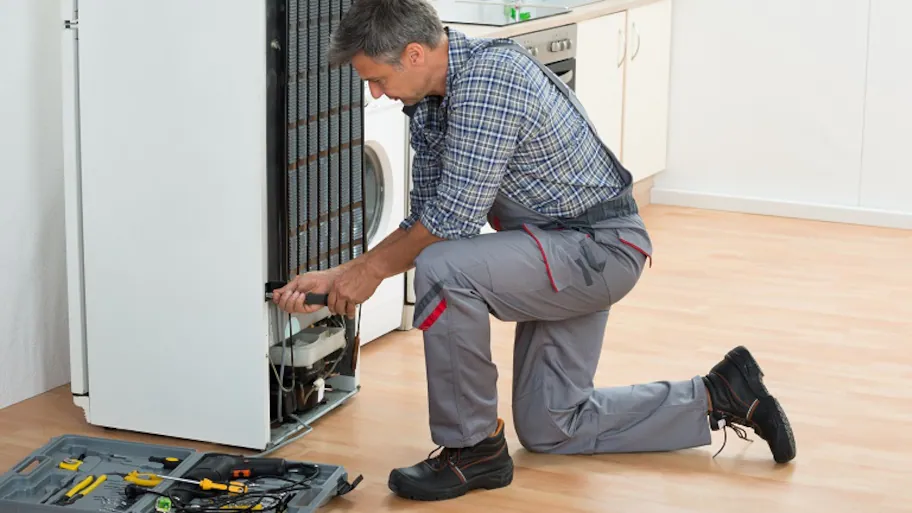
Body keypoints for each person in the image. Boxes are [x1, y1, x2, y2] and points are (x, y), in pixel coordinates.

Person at [271, 0, 796, 502]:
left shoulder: (488, 78)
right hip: (557, 247)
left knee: (442, 269)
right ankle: (719, 394)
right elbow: (425, 217)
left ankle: (471, 448)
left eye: (378, 80)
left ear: (414, 54)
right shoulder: (430, 105)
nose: (378, 94)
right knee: (553, 425)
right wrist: (346, 273)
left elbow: (451, 220)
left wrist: (371, 274)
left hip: (596, 248)